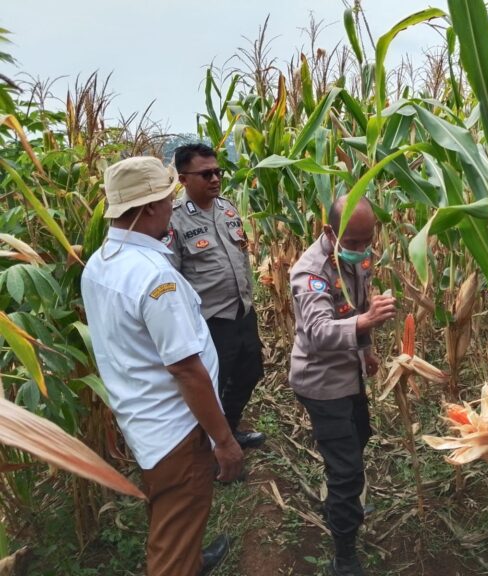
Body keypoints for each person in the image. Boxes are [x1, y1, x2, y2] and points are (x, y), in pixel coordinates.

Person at [81, 156, 243, 576]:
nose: (173, 203)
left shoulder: (101, 261)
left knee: (175, 512)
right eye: (167, 196)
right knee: (172, 545)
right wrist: (223, 441)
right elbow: (186, 369)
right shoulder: (155, 277)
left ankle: (192, 555)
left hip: (142, 419)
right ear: (151, 207)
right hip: (176, 431)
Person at [289, 196, 396, 576]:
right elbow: (318, 333)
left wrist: (365, 349)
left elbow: (356, 302)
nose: (362, 250)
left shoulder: (358, 255)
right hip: (321, 381)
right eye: (352, 243)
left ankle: (341, 501)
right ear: (329, 233)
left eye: (368, 241)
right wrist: (366, 323)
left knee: (360, 436)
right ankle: (344, 553)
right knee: (347, 469)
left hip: (348, 371)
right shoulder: (311, 272)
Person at [167, 143, 266, 450]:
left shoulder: (227, 209)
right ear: (183, 179)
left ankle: (229, 429)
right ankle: (211, 447)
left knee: (250, 373)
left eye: (217, 172)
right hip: (210, 321)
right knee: (212, 386)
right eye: (205, 173)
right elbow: (172, 276)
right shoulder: (175, 220)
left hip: (242, 312)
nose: (215, 179)